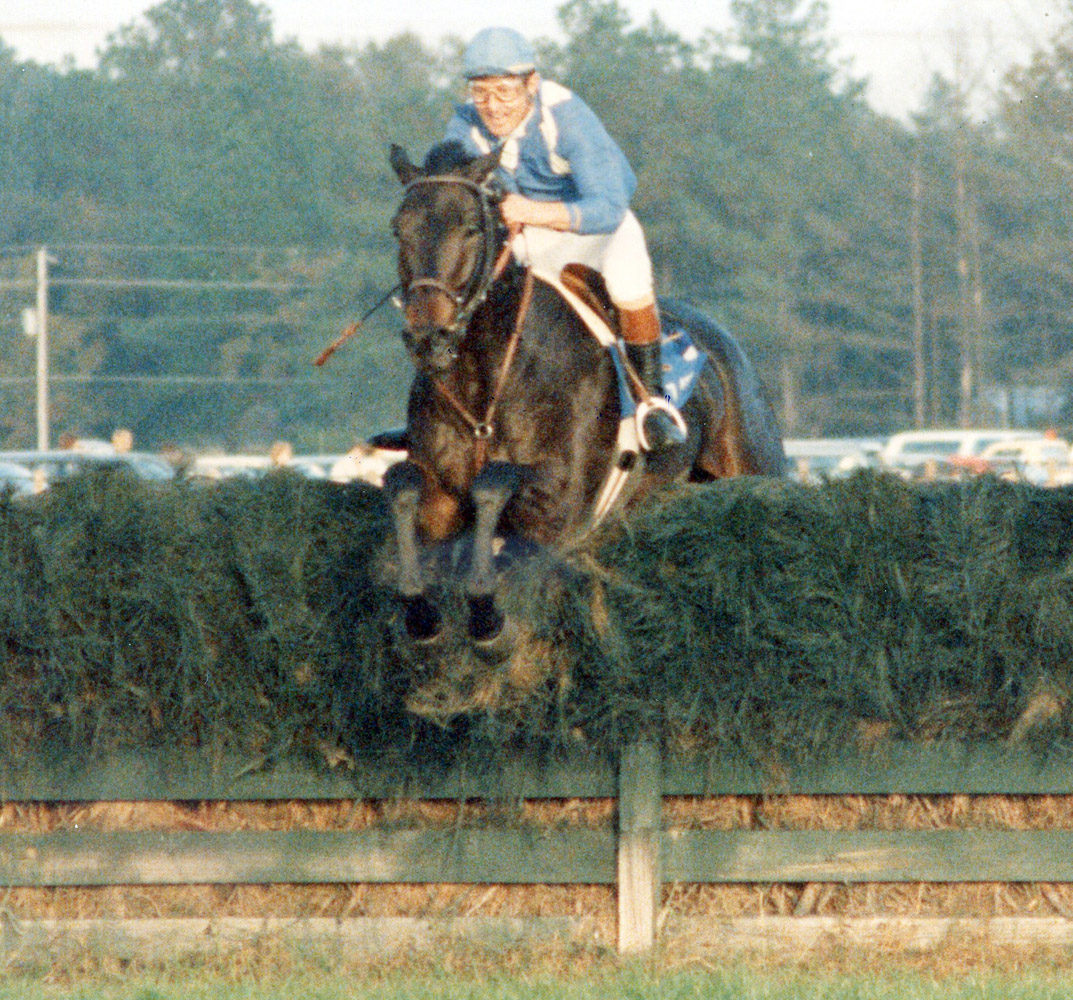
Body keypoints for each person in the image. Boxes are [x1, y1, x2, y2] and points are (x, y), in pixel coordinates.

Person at [444, 26, 686, 453]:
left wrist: (534, 212)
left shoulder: (565, 115)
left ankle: (652, 402)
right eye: (481, 93)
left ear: (531, 84)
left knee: (629, 272)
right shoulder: (464, 124)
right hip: (522, 238)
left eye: (504, 91)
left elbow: (610, 205)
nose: (492, 107)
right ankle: (454, 409)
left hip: (594, 230)